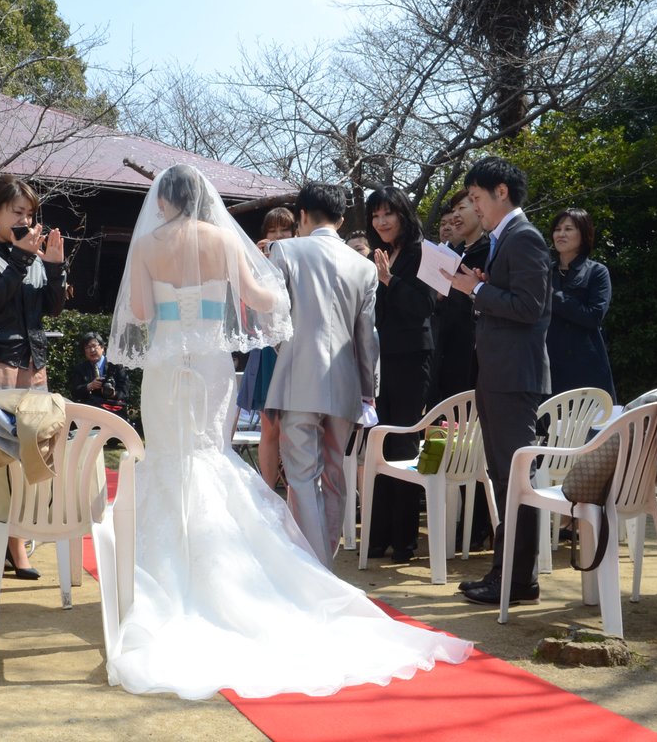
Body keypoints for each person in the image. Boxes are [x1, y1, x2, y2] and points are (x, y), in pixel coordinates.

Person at [105, 164, 469, 699]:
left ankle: (168, 579)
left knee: (171, 458)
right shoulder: (221, 239)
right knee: (210, 455)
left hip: (166, 372)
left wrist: (172, 306)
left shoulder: (148, 245)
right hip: (209, 363)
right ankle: (259, 573)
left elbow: (138, 310)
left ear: (162, 202)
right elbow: (265, 300)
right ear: (201, 198)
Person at [446, 156, 551, 606]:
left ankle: (515, 578)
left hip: (512, 375)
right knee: (505, 475)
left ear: (500, 192)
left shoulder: (524, 237)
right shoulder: (506, 238)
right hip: (499, 373)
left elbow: (530, 307)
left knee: (514, 477)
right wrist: (484, 285)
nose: (474, 207)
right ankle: (509, 575)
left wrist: (478, 291)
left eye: (475, 198)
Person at [0, 174, 66, 579]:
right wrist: (21, 257)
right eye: (17, 212)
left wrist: (53, 267)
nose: (25, 220)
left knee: (32, 452)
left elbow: (50, 310)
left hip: (33, 363)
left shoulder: (33, 254)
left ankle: (16, 544)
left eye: (30, 213)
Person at [266, 184, 379, 566]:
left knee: (300, 477)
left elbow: (273, 319)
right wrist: (369, 390)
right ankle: (324, 563)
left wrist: (288, 353)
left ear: (301, 216)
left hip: (298, 378)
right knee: (334, 475)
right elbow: (368, 337)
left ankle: (316, 571)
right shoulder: (364, 267)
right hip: (347, 384)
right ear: (342, 219)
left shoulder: (285, 250)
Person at [365, 186, 436, 564]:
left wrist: (390, 280)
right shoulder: (381, 254)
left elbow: (424, 308)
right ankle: (378, 538)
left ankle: (404, 541)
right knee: (380, 444)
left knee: (403, 445)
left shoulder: (423, 251)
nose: (381, 222)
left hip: (412, 359)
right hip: (381, 361)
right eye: (376, 216)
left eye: (388, 214)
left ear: (403, 214)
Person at [235, 205, 295, 489]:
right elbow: (247, 313)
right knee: (269, 428)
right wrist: (257, 263)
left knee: (296, 429)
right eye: (273, 231)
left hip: (297, 351)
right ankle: (269, 492)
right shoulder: (256, 266)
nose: (279, 237)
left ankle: (298, 494)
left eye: (285, 230)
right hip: (268, 351)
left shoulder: (302, 261)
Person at [546, 208, 616, 400]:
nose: (560, 234)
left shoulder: (597, 272)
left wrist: (554, 295)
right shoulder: (544, 273)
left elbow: (594, 316)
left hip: (585, 365)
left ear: (583, 235)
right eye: (557, 229)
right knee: (547, 427)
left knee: (589, 427)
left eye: (568, 229)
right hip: (548, 364)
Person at [429, 189, 489, 406]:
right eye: (453, 210)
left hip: (471, 356)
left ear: (480, 208)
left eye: (462, 208)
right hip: (441, 350)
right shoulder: (451, 253)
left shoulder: (490, 253)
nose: (455, 216)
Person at [68, 331, 130, 421]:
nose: (92, 350)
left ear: (102, 348)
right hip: (90, 413)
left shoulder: (116, 366)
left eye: (94, 346)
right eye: (88, 347)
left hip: (113, 411)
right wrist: (89, 386)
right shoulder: (80, 368)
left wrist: (113, 394)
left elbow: (125, 391)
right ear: (84, 351)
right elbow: (74, 392)